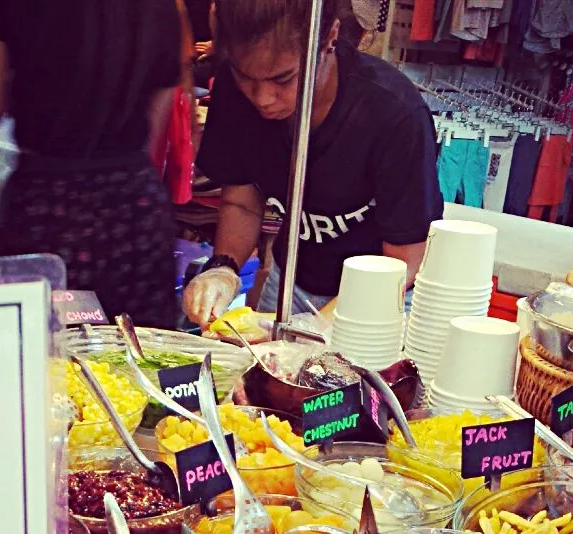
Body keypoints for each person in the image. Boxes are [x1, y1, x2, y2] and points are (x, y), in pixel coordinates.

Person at [183, 0, 443, 327]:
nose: (261, 97)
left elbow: (405, 260)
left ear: (330, 37)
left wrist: (319, 327)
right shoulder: (234, 95)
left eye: (283, 79)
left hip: (384, 292)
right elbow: (242, 201)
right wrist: (223, 268)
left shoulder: (393, 115)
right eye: (244, 76)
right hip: (293, 278)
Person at [0, 0, 187, 329]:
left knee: (47, 362)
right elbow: (153, 133)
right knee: (145, 358)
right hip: (136, 209)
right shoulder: (167, 7)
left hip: (50, 206)